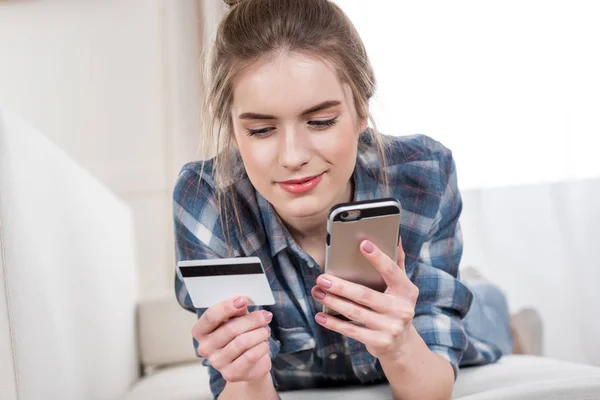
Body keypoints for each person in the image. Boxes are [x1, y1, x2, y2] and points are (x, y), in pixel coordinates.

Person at [173, 0, 514, 398]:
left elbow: (432, 390)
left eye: (321, 122)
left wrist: (400, 343)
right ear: (232, 131)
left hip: (442, 337)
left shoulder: (424, 173)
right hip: (296, 373)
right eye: (262, 130)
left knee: (487, 314)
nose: (293, 156)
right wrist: (245, 374)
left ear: (361, 109)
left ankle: (502, 309)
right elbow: (236, 388)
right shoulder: (206, 198)